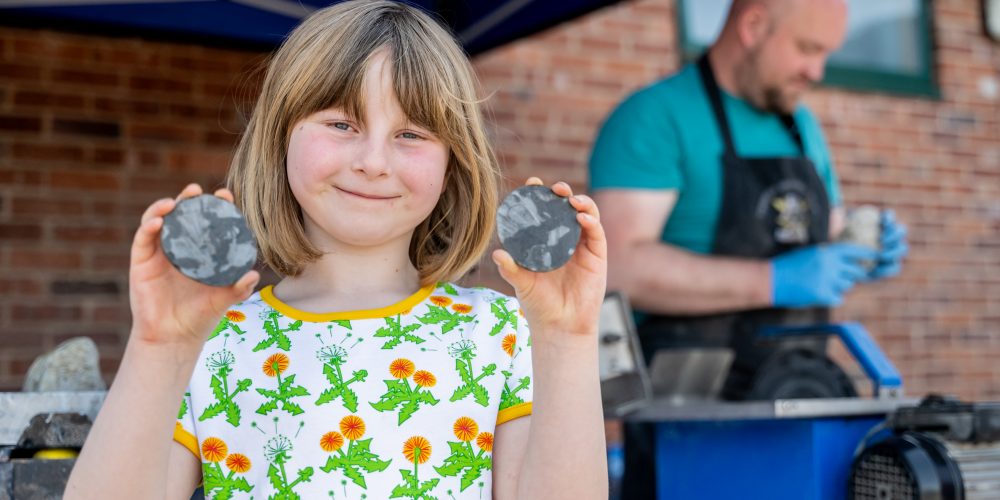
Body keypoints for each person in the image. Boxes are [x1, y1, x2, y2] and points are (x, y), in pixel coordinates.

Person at [65, 2, 609, 498]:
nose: (373, 160)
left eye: (411, 134)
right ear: (280, 138)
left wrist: (568, 337)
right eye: (342, 123)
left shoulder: (500, 333)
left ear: (453, 163)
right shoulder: (210, 338)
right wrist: (159, 346)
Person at [588, 0, 907, 497]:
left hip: (798, 397)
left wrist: (865, 246)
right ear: (753, 25)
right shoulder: (654, 117)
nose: (817, 71)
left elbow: (824, 234)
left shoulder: (800, 126)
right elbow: (618, 266)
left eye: (826, 54)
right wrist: (775, 281)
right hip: (688, 420)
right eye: (807, 49)